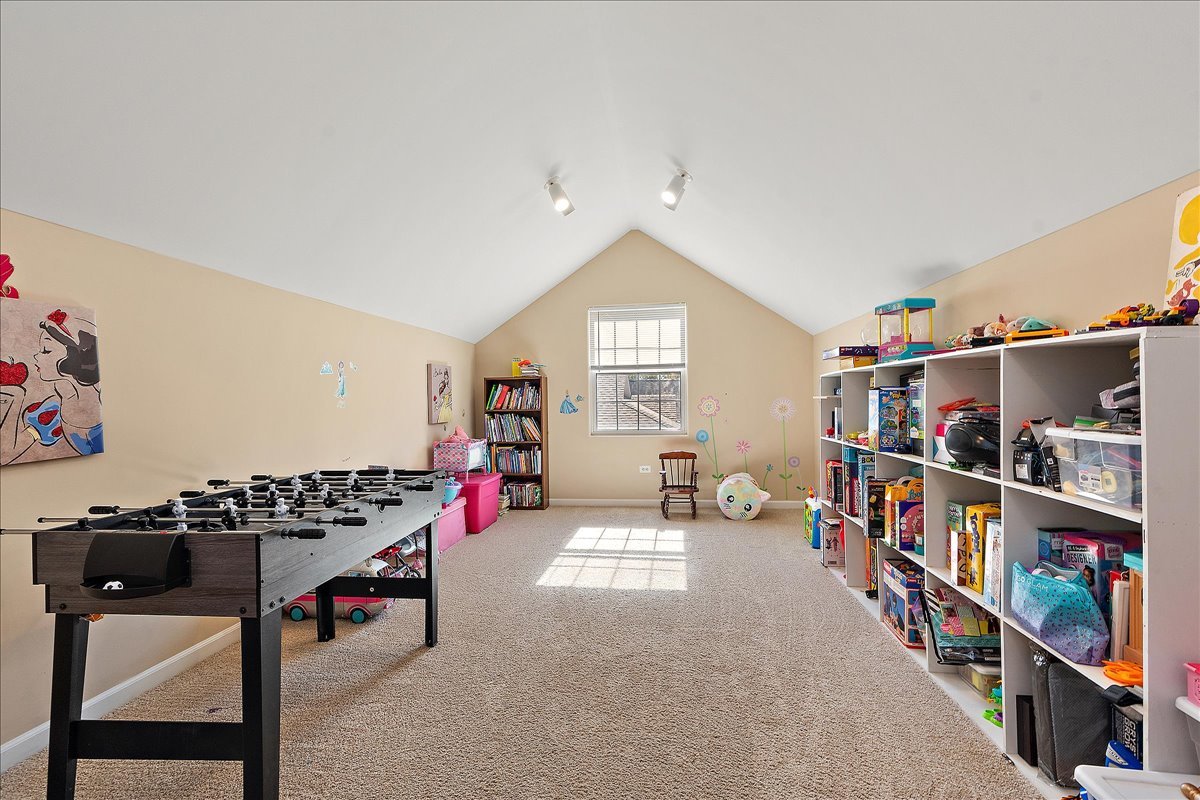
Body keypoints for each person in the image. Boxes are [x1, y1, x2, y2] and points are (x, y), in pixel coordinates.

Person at [1, 309, 102, 464]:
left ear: (73, 359)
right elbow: (7, 454)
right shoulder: (51, 408)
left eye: (46, 350)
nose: (36, 356)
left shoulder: (96, 410)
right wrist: (17, 395)